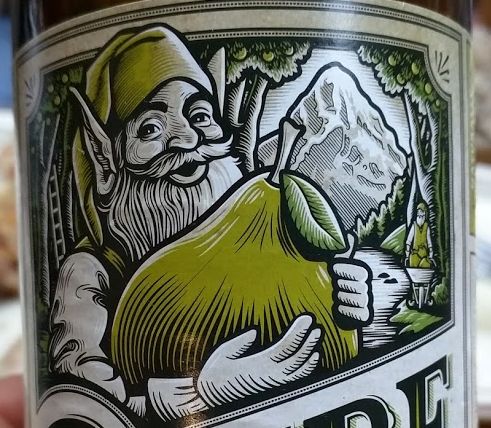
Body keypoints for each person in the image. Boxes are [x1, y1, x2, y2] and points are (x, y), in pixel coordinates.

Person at [47, 24, 372, 421]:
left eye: (199, 115)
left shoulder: (260, 234)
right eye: (151, 128)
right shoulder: (89, 273)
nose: (187, 139)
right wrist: (203, 392)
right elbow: (85, 403)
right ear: (106, 163)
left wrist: (341, 305)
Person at [405, 202, 435, 268]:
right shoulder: (414, 226)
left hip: (424, 256)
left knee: (425, 264)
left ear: (424, 213)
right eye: (418, 212)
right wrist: (407, 255)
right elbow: (408, 241)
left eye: (421, 212)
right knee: (413, 264)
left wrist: (431, 256)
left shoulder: (427, 227)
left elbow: (429, 242)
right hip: (414, 255)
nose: (419, 214)